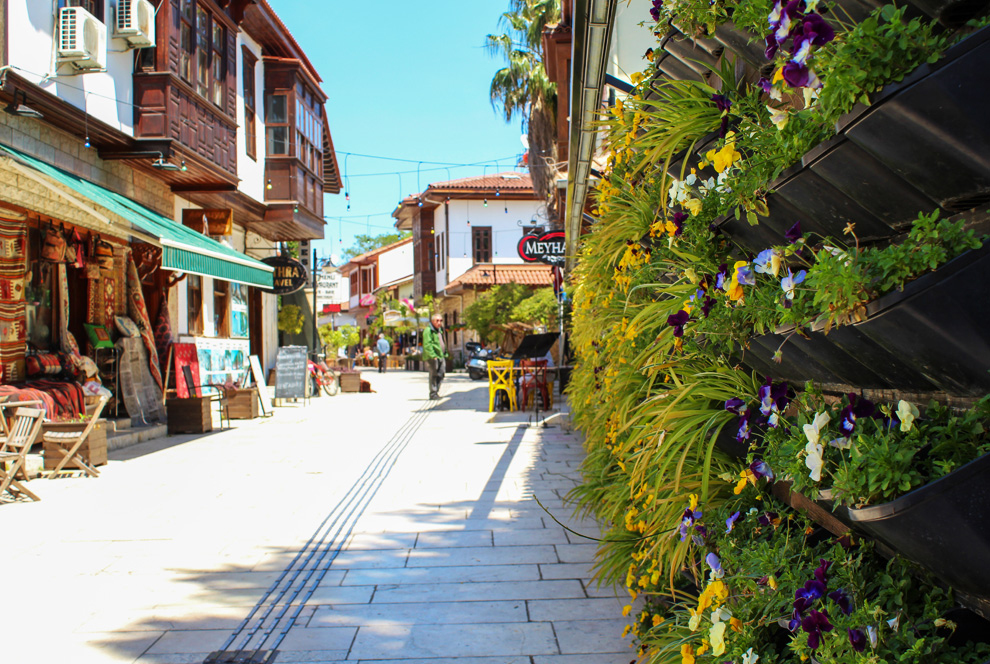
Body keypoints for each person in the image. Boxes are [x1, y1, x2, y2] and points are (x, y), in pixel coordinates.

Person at [422, 313, 446, 399]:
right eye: (437, 320)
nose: (439, 322)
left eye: (441, 320)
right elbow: (427, 344)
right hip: (433, 356)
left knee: (441, 373)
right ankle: (433, 393)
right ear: (432, 321)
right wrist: (433, 355)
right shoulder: (428, 330)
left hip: (441, 355)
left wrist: (444, 353)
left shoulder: (439, 330)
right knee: (434, 374)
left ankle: (436, 391)